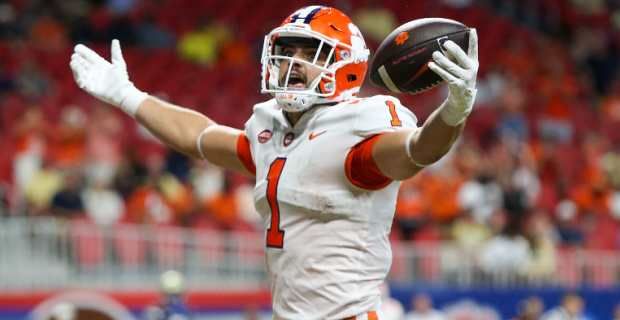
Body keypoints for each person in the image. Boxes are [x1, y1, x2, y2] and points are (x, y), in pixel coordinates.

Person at [69, 5, 479, 319]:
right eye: (286, 52)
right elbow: (201, 138)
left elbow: (416, 152)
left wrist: (453, 112)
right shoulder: (272, 129)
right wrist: (128, 96)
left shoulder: (357, 127)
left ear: (346, 65)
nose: (292, 63)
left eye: (309, 53)